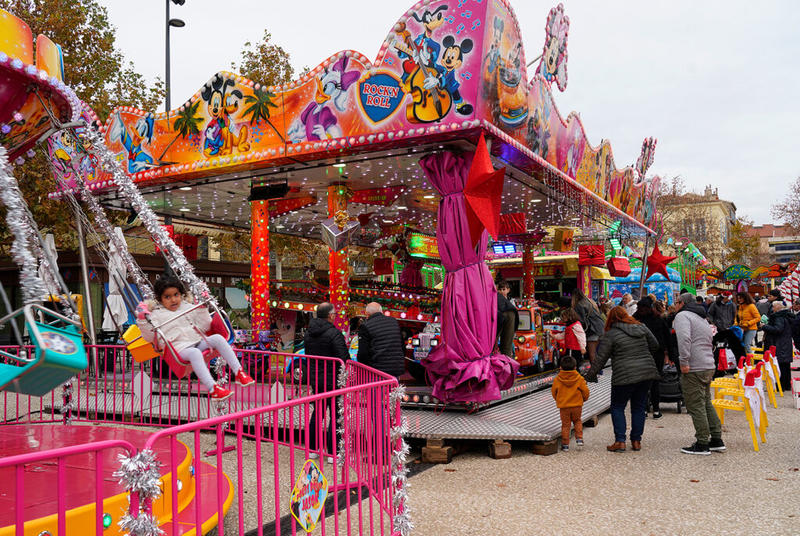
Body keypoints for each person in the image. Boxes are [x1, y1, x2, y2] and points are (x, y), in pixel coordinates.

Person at [136, 276, 254, 401]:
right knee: (195, 353)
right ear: (160, 299)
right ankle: (213, 388)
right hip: (179, 349)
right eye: (167, 297)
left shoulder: (187, 307)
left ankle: (239, 372)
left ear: (181, 294)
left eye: (176, 295)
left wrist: (202, 309)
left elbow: (206, 326)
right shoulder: (156, 314)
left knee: (218, 338)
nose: (173, 300)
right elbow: (149, 337)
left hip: (196, 340)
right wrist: (142, 320)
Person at [584, 306, 660, 452]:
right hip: (646, 373)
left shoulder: (611, 334)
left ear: (611, 319)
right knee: (638, 407)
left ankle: (620, 441)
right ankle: (636, 441)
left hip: (624, 376)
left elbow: (600, 359)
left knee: (618, 407)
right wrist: (642, 355)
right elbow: (655, 345)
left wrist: (590, 376)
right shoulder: (641, 327)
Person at [673, 293, 725, 455]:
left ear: (681, 303)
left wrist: (683, 362)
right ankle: (716, 439)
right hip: (707, 364)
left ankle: (702, 443)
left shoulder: (682, 316)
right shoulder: (701, 317)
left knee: (695, 404)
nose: (674, 305)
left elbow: (684, 339)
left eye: (676, 302)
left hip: (694, 367)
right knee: (706, 402)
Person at [304, 302, 350, 461]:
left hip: (316, 378)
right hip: (333, 379)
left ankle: (312, 449)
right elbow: (343, 356)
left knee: (318, 412)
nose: (335, 316)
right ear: (330, 315)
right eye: (335, 314)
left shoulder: (309, 333)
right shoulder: (334, 333)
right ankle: (333, 451)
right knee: (336, 414)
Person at [634, 297, 670, 419]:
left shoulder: (635, 319)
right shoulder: (658, 319)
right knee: (655, 382)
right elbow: (667, 337)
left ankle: (643, 409)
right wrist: (670, 354)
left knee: (642, 382)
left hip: (640, 354)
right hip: (657, 354)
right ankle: (656, 410)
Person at [552, 355, 590, 452]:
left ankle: (565, 445)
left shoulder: (557, 379)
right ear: (575, 367)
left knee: (565, 425)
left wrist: (559, 400)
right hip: (577, 405)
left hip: (564, 407)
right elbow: (585, 391)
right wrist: (584, 399)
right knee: (577, 421)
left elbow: (554, 392)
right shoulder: (579, 378)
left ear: (560, 367)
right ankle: (579, 439)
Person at [358, 302, 405, 377]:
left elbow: (363, 354)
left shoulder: (365, 326)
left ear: (367, 314)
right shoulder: (394, 322)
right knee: (394, 388)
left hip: (377, 371)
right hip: (396, 368)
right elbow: (402, 346)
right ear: (381, 312)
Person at [761, 300, 794, 391]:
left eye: (774, 306)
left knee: (780, 365)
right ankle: (786, 385)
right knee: (785, 365)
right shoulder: (786, 315)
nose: (772, 308)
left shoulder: (778, 317)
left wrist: (764, 326)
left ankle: (781, 386)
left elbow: (777, 329)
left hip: (779, 344)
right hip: (784, 343)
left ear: (779, 307)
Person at [571, 289, 605, 364]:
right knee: (596, 352)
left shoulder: (579, 305)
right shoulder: (589, 301)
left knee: (592, 353)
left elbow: (581, 321)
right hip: (600, 327)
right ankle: (598, 370)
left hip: (592, 330)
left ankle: (595, 372)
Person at [496, 281, 519, 358]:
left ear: (508, 290)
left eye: (503, 289)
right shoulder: (497, 299)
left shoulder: (511, 302)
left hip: (505, 321)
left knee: (508, 345)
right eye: (500, 289)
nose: (502, 291)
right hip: (501, 322)